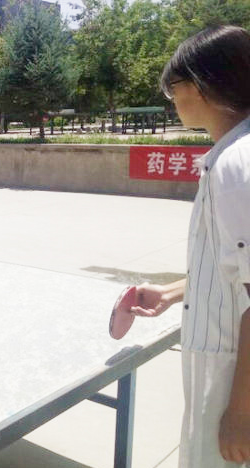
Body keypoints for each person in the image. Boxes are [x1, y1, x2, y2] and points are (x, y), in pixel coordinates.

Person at [132, 26, 250, 468]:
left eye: (173, 88)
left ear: (200, 87)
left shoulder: (237, 165)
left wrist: (240, 412)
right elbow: (234, 267)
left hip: (230, 373)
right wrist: (172, 292)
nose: (173, 100)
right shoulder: (230, 155)